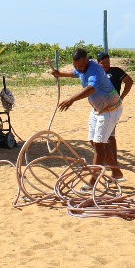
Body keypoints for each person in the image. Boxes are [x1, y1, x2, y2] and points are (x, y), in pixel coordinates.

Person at [49, 48, 123, 178]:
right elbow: (75, 73)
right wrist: (60, 73)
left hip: (110, 110)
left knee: (99, 146)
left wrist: (72, 99)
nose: (79, 68)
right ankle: (116, 172)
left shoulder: (94, 70)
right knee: (95, 142)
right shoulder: (80, 68)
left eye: (81, 66)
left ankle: (93, 182)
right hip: (97, 110)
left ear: (87, 60)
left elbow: (91, 88)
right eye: (76, 66)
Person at [97, 53, 133, 174]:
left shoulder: (116, 71)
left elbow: (129, 81)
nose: (106, 64)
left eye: (107, 62)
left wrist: (121, 97)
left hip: (113, 108)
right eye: (103, 62)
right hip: (100, 109)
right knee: (99, 136)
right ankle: (108, 161)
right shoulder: (97, 73)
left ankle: (114, 162)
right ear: (98, 63)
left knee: (110, 135)